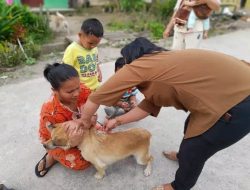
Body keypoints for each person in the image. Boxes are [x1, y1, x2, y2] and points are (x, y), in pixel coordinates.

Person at [64, 37, 250, 190]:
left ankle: (178, 186)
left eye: (127, 67)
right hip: (230, 93)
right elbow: (149, 105)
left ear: (133, 60)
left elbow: (97, 97)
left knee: (196, 147)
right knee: (192, 127)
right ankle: (182, 156)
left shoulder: (143, 65)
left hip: (239, 103)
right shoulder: (164, 66)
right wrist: (118, 121)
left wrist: (83, 121)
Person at [35, 63, 98, 177]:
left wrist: (84, 121)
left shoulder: (84, 90)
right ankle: (52, 154)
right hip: (57, 139)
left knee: (101, 146)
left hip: (82, 127)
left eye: (78, 87)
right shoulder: (50, 111)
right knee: (82, 162)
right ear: (55, 90)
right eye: (70, 92)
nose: (77, 93)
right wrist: (74, 142)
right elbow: (58, 138)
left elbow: (93, 115)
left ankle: (57, 153)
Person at [62, 18, 104, 91]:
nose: (93, 46)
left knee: (95, 102)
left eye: (96, 44)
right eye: (90, 43)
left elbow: (95, 61)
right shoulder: (72, 49)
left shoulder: (94, 48)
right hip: (81, 90)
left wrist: (99, 71)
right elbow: (66, 70)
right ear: (80, 35)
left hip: (95, 87)